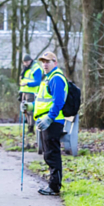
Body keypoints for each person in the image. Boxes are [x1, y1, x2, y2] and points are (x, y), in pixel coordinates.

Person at [33, 51, 68, 196]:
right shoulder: (48, 78)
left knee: (52, 154)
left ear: (55, 63)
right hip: (47, 121)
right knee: (48, 154)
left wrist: (49, 118)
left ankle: (54, 186)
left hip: (53, 122)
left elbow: (58, 102)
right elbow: (43, 102)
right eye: (43, 62)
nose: (45, 64)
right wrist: (29, 107)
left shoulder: (56, 78)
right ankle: (53, 184)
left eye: (48, 61)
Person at [18, 54, 43, 134]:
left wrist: (27, 84)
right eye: (24, 62)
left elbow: (37, 82)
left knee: (30, 110)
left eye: (26, 62)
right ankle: (29, 125)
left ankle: (31, 128)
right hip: (24, 92)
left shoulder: (36, 69)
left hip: (31, 93)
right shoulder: (26, 68)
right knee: (25, 110)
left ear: (30, 60)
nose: (25, 63)